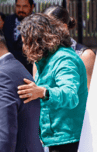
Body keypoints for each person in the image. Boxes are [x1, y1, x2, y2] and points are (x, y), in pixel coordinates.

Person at [17, 13, 88, 151]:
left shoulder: (64, 59)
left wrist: (43, 92)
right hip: (53, 138)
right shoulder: (45, 59)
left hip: (68, 139)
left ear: (36, 40)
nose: (24, 48)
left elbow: (70, 95)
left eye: (26, 42)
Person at [43, 5, 96, 90]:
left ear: (64, 27)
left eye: (49, 27)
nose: (44, 32)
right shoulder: (40, 53)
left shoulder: (85, 55)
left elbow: (89, 93)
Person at [3, 0, 35, 74]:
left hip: (29, 69)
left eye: (25, 6)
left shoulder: (36, 22)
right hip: (9, 68)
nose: (21, 10)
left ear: (32, 7)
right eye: (18, 6)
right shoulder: (8, 20)